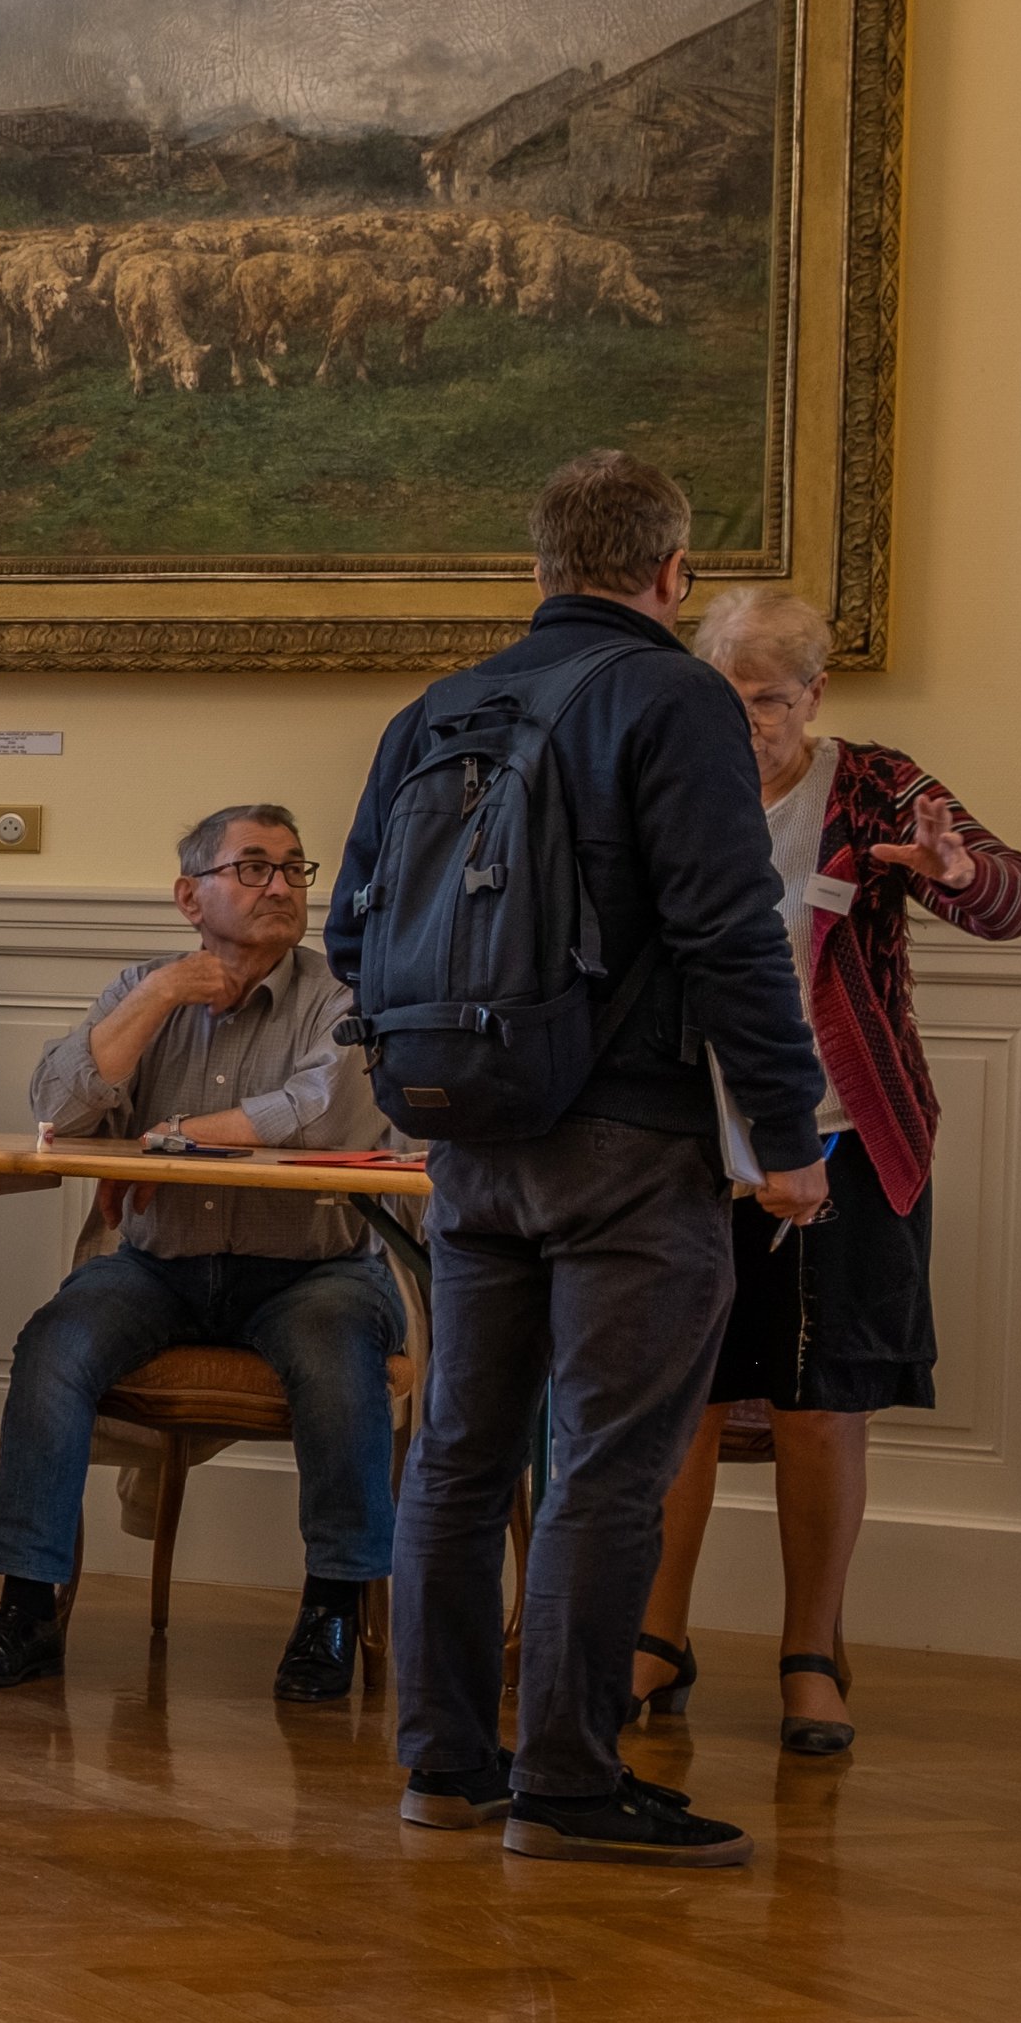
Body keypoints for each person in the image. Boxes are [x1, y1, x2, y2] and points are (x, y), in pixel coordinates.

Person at [334, 450, 823, 1867]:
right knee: (609, 1462)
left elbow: (355, 930)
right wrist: (786, 1139)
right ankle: (566, 1781)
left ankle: (442, 1766)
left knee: (460, 1457)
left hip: (467, 1136)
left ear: (542, 564)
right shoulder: (673, 695)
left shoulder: (437, 706)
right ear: (673, 576)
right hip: (627, 1137)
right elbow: (732, 932)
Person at [634, 589, 1021, 1755]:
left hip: (840, 1134)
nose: (746, 720)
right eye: (724, 696)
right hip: (679, 1135)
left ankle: (810, 1651)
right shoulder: (661, 778)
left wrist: (957, 875)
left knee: (822, 1408)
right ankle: (654, 1638)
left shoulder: (871, 787)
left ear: (812, 697)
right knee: (682, 1401)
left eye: (768, 699)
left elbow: (1018, 897)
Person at [0, 805, 406, 1703]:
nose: (281, 886)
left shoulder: (343, 993)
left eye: (294, 870)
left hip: (312, 1270)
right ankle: (27, 1607)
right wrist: (158, 995)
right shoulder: (139, 987)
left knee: (336, 1357)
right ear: (189, 895)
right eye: (254, 868)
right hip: (161, 1267)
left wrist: (176, 1138)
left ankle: (332, 1609)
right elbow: (58, 1110)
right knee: (55, 1344)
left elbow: (323, 1114)